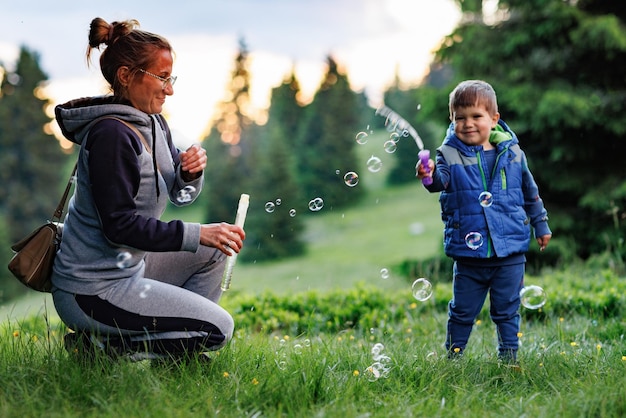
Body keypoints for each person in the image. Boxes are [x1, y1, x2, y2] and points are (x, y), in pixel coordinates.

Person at [52, 17, 245, 362]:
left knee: (219, 250)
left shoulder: (153, 123)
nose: (169, 89)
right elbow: (119, 228)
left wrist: (189, 173)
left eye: (171, 78)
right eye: (162, 78)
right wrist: (198, 233)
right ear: (126, 76)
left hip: (131, 268)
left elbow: (180, 197)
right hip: (93, 290)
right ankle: (102, 348)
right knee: (218, 330)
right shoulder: (111, 135)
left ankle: (174, 354)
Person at [417, 80, 551, 363]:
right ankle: (454, 358)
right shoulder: (448, 155)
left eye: (476, 116)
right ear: (452, 121)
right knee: (462, 311)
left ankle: (509, 358)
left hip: (509, 251)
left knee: (507, 310)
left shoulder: (513, 154)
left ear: (494, 119)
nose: (467, 124)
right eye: (459, 118)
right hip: (469, 255)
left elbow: (530, 191)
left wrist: (541, 224)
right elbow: (438, 182)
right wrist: (427, 175)